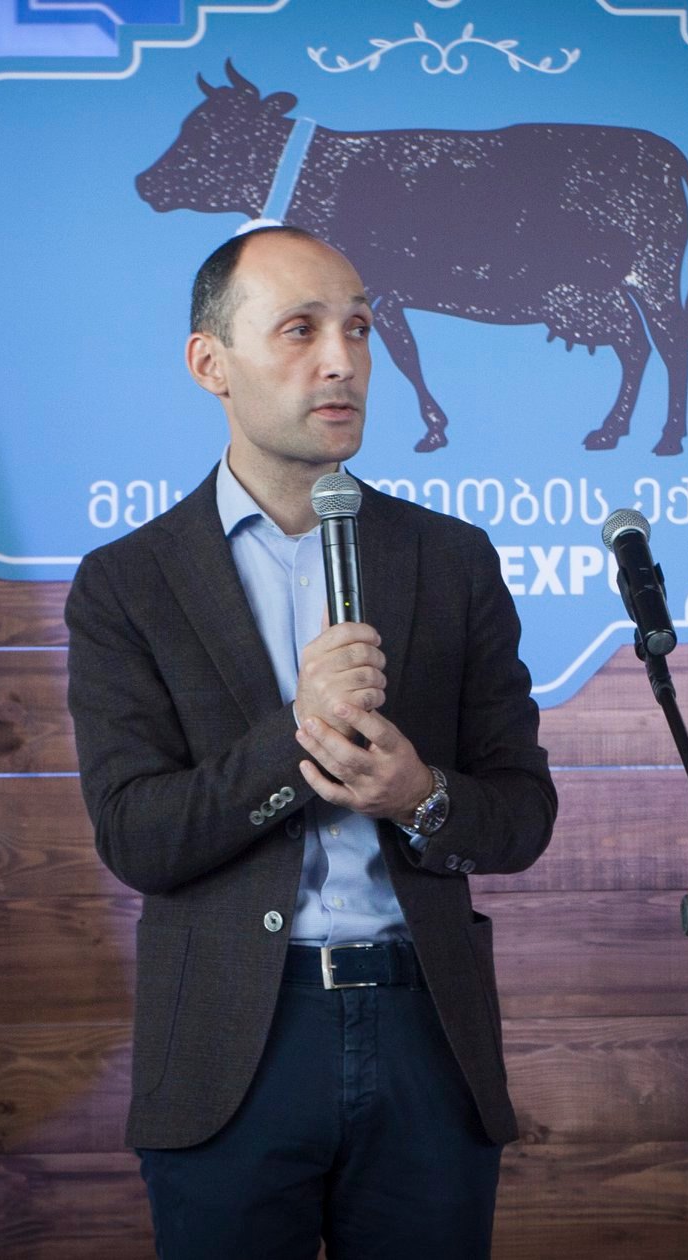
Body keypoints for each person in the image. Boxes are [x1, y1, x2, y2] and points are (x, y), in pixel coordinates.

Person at [64, 225, 557, 1259]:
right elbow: (137, 836)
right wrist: (299, 733)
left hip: (426, 1037)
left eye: (360, 328)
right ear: (211, 364)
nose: (343, 361)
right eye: (300, 330)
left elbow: (520, 815)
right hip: (231, 1049)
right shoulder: (129, 583)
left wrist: (418, 794)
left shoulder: (450, 560)